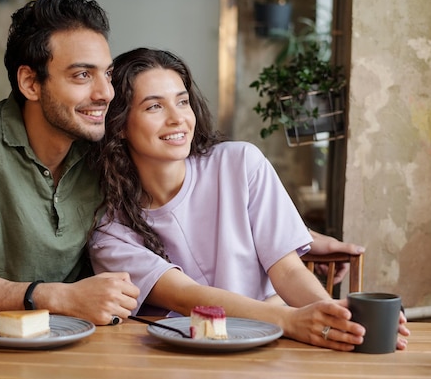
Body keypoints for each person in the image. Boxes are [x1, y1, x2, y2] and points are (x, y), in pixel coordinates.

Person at [89, 47, 409, 350]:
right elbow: (185, 296)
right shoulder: (110, 232)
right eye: (154, 106)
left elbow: (288, 270)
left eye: (183, 102)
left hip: (274, 346)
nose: (177, 119)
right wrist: (290, 319)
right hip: (180, 356)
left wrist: (339, 320)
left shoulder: (240, 163)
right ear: (119, 126)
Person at [0, 0, 139, 325]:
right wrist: (58, 297)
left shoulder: (104, 147)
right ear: (30, 83)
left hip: (85, 341)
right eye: (82, 75)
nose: (105, 92)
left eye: (106, 73)